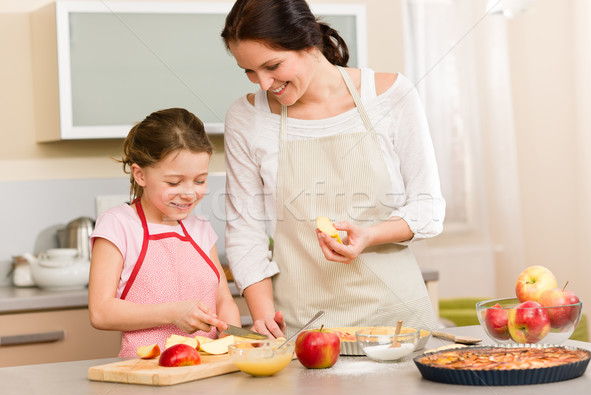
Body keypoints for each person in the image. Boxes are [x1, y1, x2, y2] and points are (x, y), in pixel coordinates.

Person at [221, 0, 445, 338]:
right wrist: (264, 317)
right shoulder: (246, 117)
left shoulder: (391, 95)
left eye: (273, 66)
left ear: (309, 44)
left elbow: (428, 208)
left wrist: (369, 235)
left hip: (397, 324)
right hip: (304, 329)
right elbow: (245, 233)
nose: (263, 83)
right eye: (250, 71)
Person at [88, 108, 240, 357]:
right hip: (145, 378)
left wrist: (230, 334)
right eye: (174, 182)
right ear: (140, 175)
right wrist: (173, 313)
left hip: (207, 372)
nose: (189, 192)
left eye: (199, 181)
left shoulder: (199, 227)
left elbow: (223, 299)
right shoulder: (118, 225)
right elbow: (101, 312)